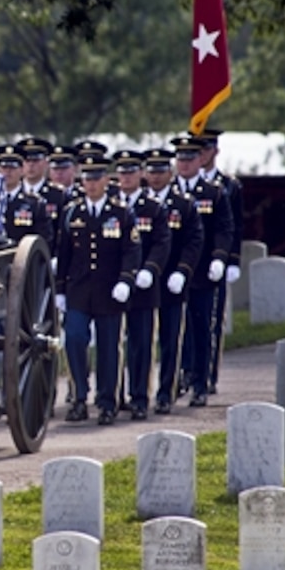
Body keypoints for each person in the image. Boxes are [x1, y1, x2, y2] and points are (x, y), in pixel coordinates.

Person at [55, 151, 141, 426]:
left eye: (96, 178)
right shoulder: (72, 213)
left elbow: (131, 250)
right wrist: (59, 290)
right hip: (79, 291)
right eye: (86, 178)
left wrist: (126, 280)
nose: (91, 184)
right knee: (75, 339)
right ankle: (79, 397)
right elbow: (64, 253)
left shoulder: (121, 212)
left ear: (106, 179)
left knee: (108, 348)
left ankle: (107, 402)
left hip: (109, 290)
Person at [0, 144, 53, 424]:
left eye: (12, 167)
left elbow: (44, 243)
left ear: (22, 171)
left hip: (23, 284)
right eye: (2, 166)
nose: (6, 172)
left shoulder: (34, 204)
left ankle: (16, 399)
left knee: (18, 341)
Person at [172, 135, 233, 408]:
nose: (184, 164)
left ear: (200, 159)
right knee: (174, 330)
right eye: (180, 159)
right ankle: (175, 379)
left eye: (189, 158)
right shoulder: (168, 193)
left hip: (202, 273)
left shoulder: (214, 192)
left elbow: (224, 228)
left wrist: (221, 258)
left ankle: (201, 380)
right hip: (172, 274)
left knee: (201, 327)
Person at [142, 147, 204, 414]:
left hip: (171, 280)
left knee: (170, 339)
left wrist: (183, 271)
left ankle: (166, 391)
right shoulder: (138, 204)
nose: (156, 177)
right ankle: (139, 392)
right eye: (151, 172)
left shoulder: (184, 204)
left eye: (161, 171)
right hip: (144, 281)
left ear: (170, 172)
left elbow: (194, 241)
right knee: (141, 340)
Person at [113, 150, 171, 421]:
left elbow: (162, 242)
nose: (126, 177)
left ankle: (139, 397)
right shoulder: (110, 205)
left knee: (141, 343)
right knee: (112, 343)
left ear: (141, 174)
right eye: (122, 172)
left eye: (131, 172)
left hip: (144, 286)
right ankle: (113, 396)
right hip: (113, 286)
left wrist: (150, 269)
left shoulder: (154, 206)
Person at [198, 128, 243, 394]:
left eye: (205, 149)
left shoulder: (229, 186)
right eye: (196, 150)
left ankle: (209, 373)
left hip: (215, 261)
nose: (201, 155)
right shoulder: (184, 185)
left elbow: (235, 226)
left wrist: (232, 259)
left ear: (215, 151)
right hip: (189, 263)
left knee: (213, 320)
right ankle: (190, 371)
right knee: (191, 323)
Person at [16, 137, 68, 234]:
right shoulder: (13, 194)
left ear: (46, 163)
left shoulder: (58, 195)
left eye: (36, 160)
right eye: (27, 160)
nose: (31, 165)